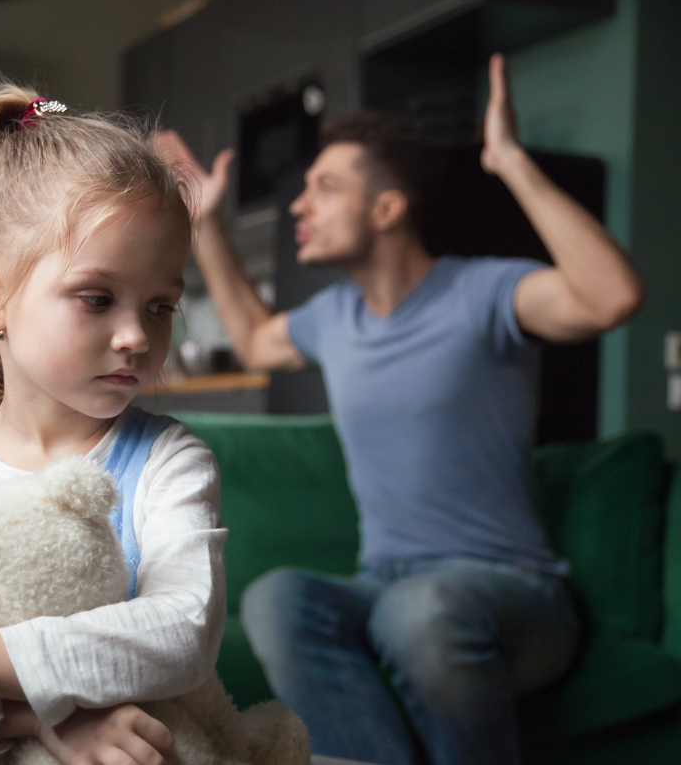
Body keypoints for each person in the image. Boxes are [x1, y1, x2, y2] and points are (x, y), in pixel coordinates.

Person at [153, 54, 645, 765]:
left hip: (515, 592)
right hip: (383, 582)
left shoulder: (484, 295)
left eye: (325, 188)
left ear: (386, 209)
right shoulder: (335, 316)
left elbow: (611, 297)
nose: (299, 204)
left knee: (420, 613)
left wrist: (508, 160)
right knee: (277, 598)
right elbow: (257, 337)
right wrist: (204, 222)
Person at [0, 85, 226, 765]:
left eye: (160, 307)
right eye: (97, 298)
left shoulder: (170, 460)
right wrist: (34, 724)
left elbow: (185, 629)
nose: (133, 336)